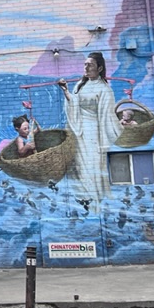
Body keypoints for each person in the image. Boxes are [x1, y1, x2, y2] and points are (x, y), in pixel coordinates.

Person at [58, 52, 121, 201]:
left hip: (92, 132)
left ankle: (94, 198)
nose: (86, 68)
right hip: (78, 128)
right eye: (85, 64)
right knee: (79, 164)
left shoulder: (104, 89)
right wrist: (65, 90)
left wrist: (106, 138)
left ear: (99, 68)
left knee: (91, 164)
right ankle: (84, 198)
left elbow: (106, 115)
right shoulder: (81, 84)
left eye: (90, 65)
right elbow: (73, 103)